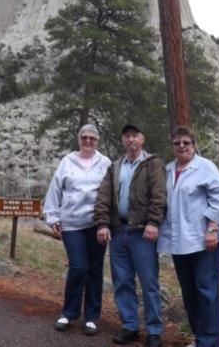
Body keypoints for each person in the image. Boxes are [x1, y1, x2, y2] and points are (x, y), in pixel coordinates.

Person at [157, 125, 219, 347]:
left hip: (204, 239)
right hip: (180, 242)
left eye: (186, 143)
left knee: (206, 291)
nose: (181, 146)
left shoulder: (205, 167)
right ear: (172, 147)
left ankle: (209, 342)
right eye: (177, 143)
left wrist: (212, 229)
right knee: (189, 293)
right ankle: (200, 338)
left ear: (194, 145)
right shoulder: (168, 170)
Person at [94, 124, 167, 347]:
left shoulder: (153, 164)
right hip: (118, 232)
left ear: (142, 139)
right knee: (122, 281)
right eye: (127, 136)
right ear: (123, 140)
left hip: (142, 233)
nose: (131, 140)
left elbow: (159, 195)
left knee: (149, 282)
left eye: (135, 136)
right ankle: (130, 326)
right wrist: (102, 224)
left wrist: (154, 222)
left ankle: (154, 331)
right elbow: (103, 197)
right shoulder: (115, 167)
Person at [43, 124, 111, 336]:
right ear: (79, 139)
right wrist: (52, 216)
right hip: (71, 223)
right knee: (78, 267)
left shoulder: (105, 163)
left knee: (94, 270)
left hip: (97, 224)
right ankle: (68, 312)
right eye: (84, 138)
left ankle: (91, 317)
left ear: (97, 141)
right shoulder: (67, 162)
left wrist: (108, 223)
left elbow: (111, 193)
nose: (88, 141)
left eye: (92, 138)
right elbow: (55, 189)